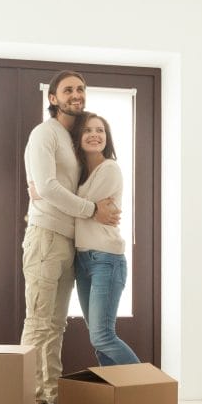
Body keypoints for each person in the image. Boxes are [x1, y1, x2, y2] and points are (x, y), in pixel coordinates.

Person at [21, 70, 120, 404]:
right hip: (46, 236)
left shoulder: (71, 138)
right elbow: (46, 186)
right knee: (39, 321)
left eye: (80, 89)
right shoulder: (44, 133)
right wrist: (93, 209)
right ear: (53, 98)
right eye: (68, 90)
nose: (76, 95)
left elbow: (56, 185)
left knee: (56, 324)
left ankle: (51, 398)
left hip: (67, 240)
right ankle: (32, 399)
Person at [72, 113, 140, 366]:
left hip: (106, 260)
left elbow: (74, 206)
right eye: (87, 130)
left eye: (100, 130)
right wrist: (87, 205)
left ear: (107, 138)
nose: (94, 135)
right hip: (83, 260)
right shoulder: (80, 175)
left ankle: (149, 392)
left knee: (102, 336)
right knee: (97, 339)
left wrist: (48, 193)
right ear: (78, 138)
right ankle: (116, 400)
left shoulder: (109, 168)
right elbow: (84, 206)